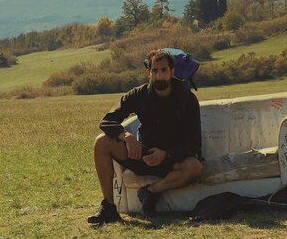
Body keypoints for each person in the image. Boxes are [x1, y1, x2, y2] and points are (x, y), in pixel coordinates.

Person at [87, 49, 203, 225]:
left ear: (172, 72)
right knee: (101, 142)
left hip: (172, 159)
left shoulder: (187, 98)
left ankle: (150, 192)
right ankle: (109, 208)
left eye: (164, 70)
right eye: (155, 71)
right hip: (142, 155)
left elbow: (194, 144)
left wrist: (166, 154)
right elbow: (107, 120)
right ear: (148, 72)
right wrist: (126, 135)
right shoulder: (138, 94)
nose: (159, 75)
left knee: (194, 167)